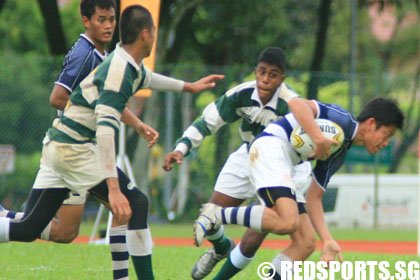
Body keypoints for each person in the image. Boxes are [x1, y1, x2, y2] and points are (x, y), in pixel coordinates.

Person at [0, 4, 223, 280]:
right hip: (76, 151)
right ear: (145, 34)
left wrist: (188, 87)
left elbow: (148, 79)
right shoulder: (118, 69)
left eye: (111, 19)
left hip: (58, 146)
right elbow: (105, 131)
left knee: (30, 227)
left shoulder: (125, 61)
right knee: (136, 203)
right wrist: (114, 189)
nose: (155, 35)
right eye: (154, 31)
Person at [162, 46, 337, 280]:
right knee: (210, 212)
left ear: (281, 79)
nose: (265, 79)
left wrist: (318, 147)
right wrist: (180, 148)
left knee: (255, 236)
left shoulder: (291, 103)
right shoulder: (242, 94)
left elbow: (315, 134)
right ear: (256, 71)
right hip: (249, 156)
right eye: (262, 72)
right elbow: (207, 122)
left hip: (288, 167)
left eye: (272, 74)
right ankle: (222, 247)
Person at [195, 97, 404, 279]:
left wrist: (327, 240)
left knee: (305, 242)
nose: (386, 143)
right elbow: (296, 103)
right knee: (287, 221)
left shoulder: (340, 151)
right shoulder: (342, 120)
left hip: (285, 163)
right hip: (272, 147)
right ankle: (216, 215)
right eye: (386, 134)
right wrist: (318, 136)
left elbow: (314, 198)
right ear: (370, 123)